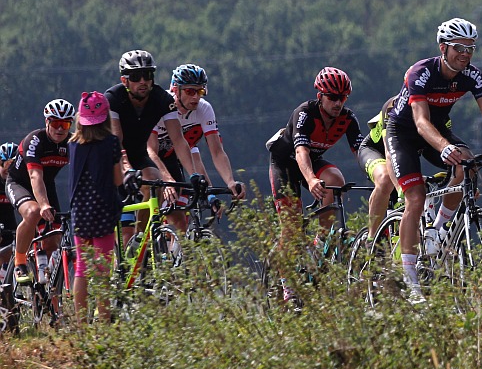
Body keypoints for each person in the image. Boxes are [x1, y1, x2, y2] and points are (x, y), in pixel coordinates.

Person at [385, 17, 482, 301]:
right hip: (405, 133)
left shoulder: (472, 75)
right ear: (443, 48)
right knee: (415, 198)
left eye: (471, 48)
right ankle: (411, 284)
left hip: (437, 132)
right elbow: (421, 122)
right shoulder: (421, 73)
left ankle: (437, 230)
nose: (465, 54)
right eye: (459, 47)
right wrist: (445, 148)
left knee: (468, 165)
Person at [266, 67, 363, 261]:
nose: (337, 103)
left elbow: (361, 152)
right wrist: (311, 180)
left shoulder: (347, 119)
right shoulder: (304, 113)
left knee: (335, 180)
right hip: (285, 164)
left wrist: (380, 175)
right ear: (320, 96)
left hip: (311, 160)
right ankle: (287, 284)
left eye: (342, 98)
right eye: (332, 97)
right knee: (292, 227)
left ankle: (321, 241)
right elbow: (301, 151)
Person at [105, 50, 198, 230]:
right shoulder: (113, 98)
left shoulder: (162, 99)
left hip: (138, 154)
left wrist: (194, 174)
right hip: (114, 157)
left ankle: (142, 240)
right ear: (124, 80)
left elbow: (178, 140)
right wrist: (127, 169)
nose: (143, 81)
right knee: (125, 230)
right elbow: (117, 140)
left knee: (156, 182)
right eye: (136, 76)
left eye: (147, 75)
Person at [148, 63, 246, 232]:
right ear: (175, 89)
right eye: (190, 91)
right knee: (142, 216)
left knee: (179, 219)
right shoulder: (160, 104)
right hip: (150, 156)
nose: (196, 97)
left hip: (175, 158)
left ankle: (171, 255)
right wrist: (166, 181)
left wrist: (229, 182)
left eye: (200, 91)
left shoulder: (204, 109)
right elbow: (150, 151)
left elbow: (215, 152)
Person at [5, 99, 76, 286]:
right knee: (34, 212)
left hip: (46, 185)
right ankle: (20, 261)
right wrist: (44, 204)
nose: (60, 129)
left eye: (65, 124)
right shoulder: (35, 141)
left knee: (54, 241)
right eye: (55, 123)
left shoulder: (71, 143)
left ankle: (53, 301)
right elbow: (35, 176)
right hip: (20, 183)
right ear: (47, 122)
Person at [68, 91, 124, 322]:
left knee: (82, 268)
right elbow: (118, 179)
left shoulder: (73, 144)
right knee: (102, 270)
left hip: (79, 211)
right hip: (103, 210)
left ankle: (81, 324)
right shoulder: (111, 142)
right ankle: (104, 321)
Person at [357, 95, 399, 239]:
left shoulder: (437, 111)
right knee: (386, 179)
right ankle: (372, 240)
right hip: (374, 150)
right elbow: (389, 153)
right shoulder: (394, 106)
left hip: (399, 154)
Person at [0, 142, 19, 275]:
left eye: (12, 164)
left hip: (9, 222)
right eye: (5, 164)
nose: (8, 168)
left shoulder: (19, 180)